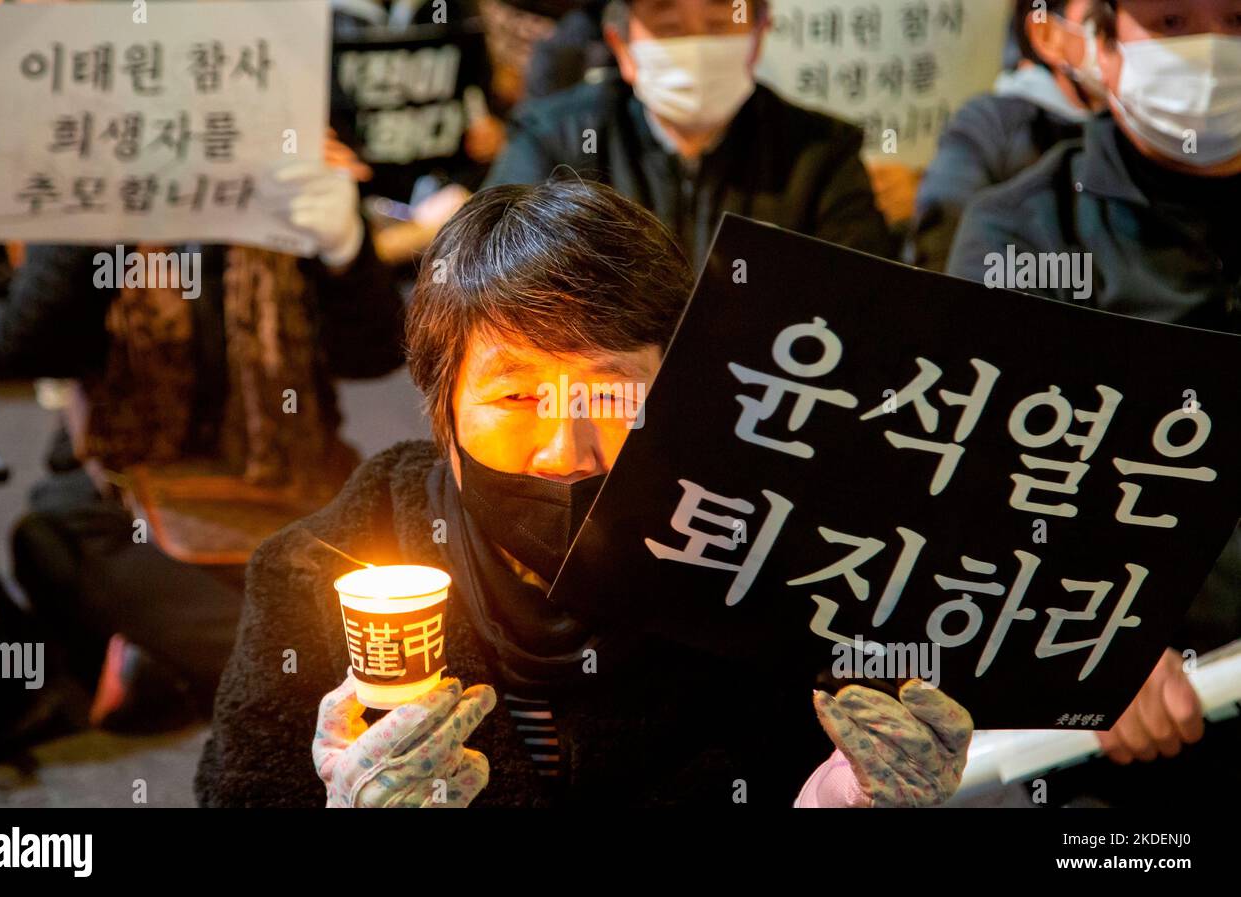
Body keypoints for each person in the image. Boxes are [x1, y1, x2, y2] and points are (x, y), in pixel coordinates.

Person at [196, 179, 972, 808]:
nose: (567, 449)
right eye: (518, 398)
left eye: (609, 395)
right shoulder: (310, 581)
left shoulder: (764, 567)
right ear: (443, 411)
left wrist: (842, 798)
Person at [0, 137, 405, 730]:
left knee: (392, 531)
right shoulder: (94, 164)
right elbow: (29, 345)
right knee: (52, 542)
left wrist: (345, 246)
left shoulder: (291, 158)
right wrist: (104, 217)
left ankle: (194, 667)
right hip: (127, 495)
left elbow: (374, 354)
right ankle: (315, 674)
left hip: (292, 484)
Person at [947, 0, 1241, 801]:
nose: (1214, 50)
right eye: (1173, 21)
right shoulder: (1021, 233)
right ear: (1101, 45)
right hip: (1113, 747)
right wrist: (1094, 645)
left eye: (1236, 19)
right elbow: (980, 501)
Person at [480, 0, 893, 265]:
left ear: (757, 37)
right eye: (671, 27)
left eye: (717, 24)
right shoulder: (554, 139)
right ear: (622, 46)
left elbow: (861, 302)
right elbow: (494, 272)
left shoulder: (821, 152)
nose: (696, 47)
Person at [909, 0, 1105, 272]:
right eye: (1102, 21)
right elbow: (938, 252)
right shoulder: (990, 125)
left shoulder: (1156, 132)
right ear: (1047, 34)